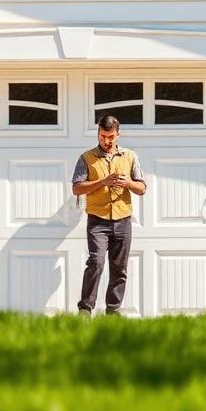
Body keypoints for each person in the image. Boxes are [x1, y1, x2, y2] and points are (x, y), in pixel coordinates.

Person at [71, 114, 146, 316]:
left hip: (123, 220)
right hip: (97, 221)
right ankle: (85, 310)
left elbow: (142, 188)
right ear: (98, 134)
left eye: (111, 137)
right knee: (96, 262)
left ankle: (113, 311)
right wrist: (102, 182)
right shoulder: (86, 158)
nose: (107, 141)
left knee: (119, 268)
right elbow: (77, 188)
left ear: (118, 134)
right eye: (103, 136)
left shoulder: (130, 156)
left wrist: (128, 183)